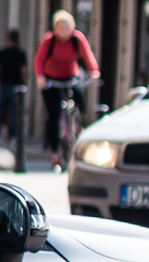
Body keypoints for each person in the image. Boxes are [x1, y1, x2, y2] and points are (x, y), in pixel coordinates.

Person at [34, 10, 101, 170]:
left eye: (67, 28)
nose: (63, 31)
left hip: (70, 76)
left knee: (80, 97)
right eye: (60, 28)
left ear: (72, 28)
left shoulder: (77, 39)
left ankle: (79, 125)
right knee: (54, 114)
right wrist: (40, 77)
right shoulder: (49, 41)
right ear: (55, 28)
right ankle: (55, 151)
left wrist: (94, 70)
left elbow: (87, 55)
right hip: (52, 78)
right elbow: (39, 59)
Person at [0, 29, 29, 147]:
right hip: (16, 85)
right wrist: (24, 82)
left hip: (4, 84)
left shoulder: (2, 52)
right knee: (14, 112)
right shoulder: (20, 53)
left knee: (0, 109)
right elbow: (23, 70)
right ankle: (12, 135)